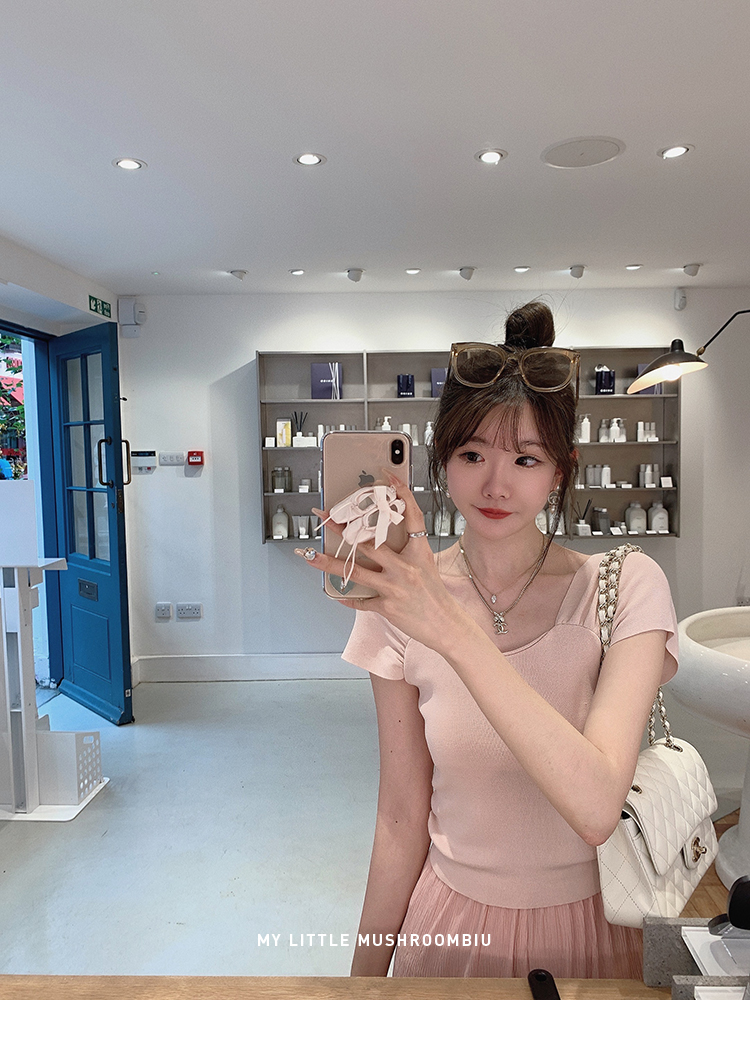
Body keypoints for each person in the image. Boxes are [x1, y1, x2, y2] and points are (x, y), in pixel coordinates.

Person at [297, 301, 678, 979]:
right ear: (442, 459)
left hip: (593, 935)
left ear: (561, 470)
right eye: (472, 454)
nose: (496, 484)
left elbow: (596, 806)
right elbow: (401, 816)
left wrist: (450, 629)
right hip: (447, 929)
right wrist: (360, 989)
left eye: (526, 459)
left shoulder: (625, 586)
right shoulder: (397, 605)